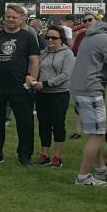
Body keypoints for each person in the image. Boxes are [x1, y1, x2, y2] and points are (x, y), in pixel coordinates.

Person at [70, 7, 107, 187]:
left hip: (81, 88)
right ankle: (83, 177)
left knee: (96, 132)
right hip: (90, 89)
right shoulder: (105, 39)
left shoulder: (90, 35)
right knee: (96, 134)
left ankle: (101, 169)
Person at [0, 4, 40, 165]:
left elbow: (35, 61)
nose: (11, 19)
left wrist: (31, 80)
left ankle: (24, 155)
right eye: (8, 16)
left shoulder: (28, 37)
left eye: (15, 17)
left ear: (21, 19)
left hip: (21, 87)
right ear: (4, 18)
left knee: (25, 123)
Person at [25, 25, 75, 168]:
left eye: (54, 37)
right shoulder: (42, 53)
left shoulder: (67, 54)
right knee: (44, 124)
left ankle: (57, 156)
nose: (50, 40)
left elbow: (66, 75)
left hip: (59, 94)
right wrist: (30, 77)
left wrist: (46, 84)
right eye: (48, 37)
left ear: (61, 39)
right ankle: (44, 154)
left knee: (58, 124)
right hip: (42, 94)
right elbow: (33, 67)